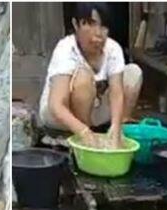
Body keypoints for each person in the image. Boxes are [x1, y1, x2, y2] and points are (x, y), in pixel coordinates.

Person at [39, 3, 143, 149]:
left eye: (103, 26)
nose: (98, 33)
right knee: (83, 77)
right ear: (76, 25)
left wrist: (116, 124)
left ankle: (117, 133)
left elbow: (116, 93)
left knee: (133, 73)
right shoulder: (66, 49)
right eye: (90, 24)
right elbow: (57, 105)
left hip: (94, 111)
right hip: (60, 117)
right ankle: (80, 138)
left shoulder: (113, 49)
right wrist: (84, 132)